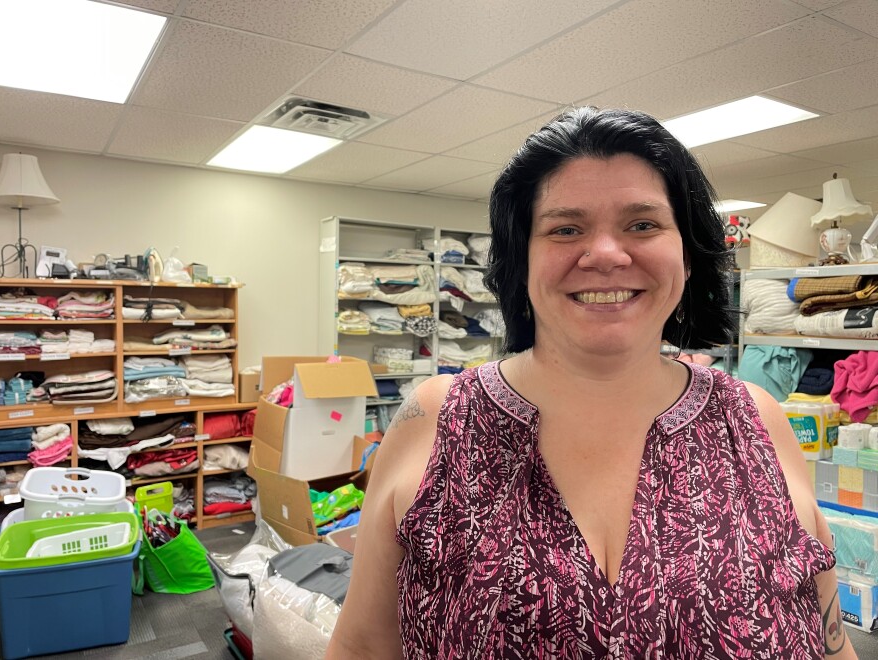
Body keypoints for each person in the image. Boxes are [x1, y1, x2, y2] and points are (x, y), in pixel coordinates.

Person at [326, 107, 856, 658]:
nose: (605, 253)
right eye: (565, 228)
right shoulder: (434, 421)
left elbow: (829, 639)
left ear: (689, 254)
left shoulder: (755, 417)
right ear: (521, 260)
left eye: (643, 224)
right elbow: (362, 645)